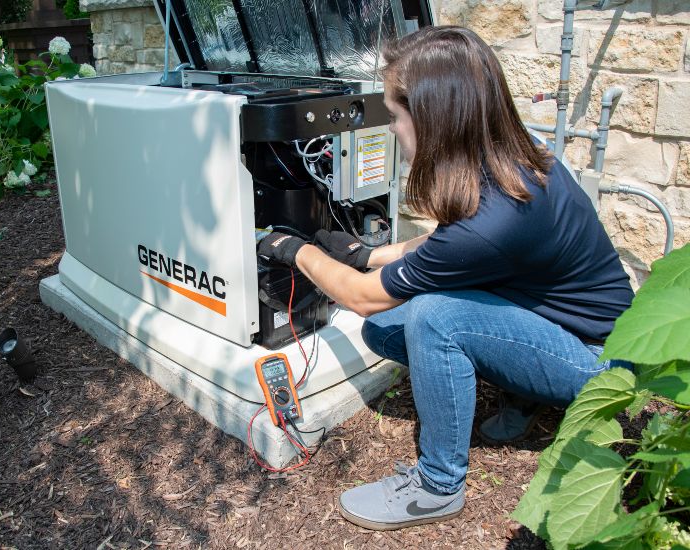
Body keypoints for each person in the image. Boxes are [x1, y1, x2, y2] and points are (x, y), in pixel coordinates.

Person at [257, 26, 634, 531]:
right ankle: (523, 389)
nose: (391, 129)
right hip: (558, 320)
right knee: (386, 332)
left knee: (435, 318)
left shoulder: (497, 220)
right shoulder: (513, 158)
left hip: (601, 362)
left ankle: (437, 486)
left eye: (395, 116)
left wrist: (294, 249)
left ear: (433, 120)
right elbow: (446, 247)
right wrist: (367, 254)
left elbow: (364, 299)